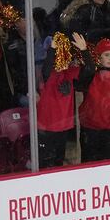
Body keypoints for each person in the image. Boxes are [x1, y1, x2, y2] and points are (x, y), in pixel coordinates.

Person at [37, 31, 84, 168]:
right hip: (47, 127)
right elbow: (47, 67)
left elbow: (88, 70)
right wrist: (52, 49)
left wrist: (83, 51)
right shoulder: (46, 75)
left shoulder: (69, 73)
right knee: (46, 163)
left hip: (63, 127)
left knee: (58, 161)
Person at [76, 36, 110, 162]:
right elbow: (89, 69)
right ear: (99, 56)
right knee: (88, 163)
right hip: (90, 128)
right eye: (106, 54)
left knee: (106, 163)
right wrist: (84, 51)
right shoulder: (91, 76)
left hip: (108, 128)